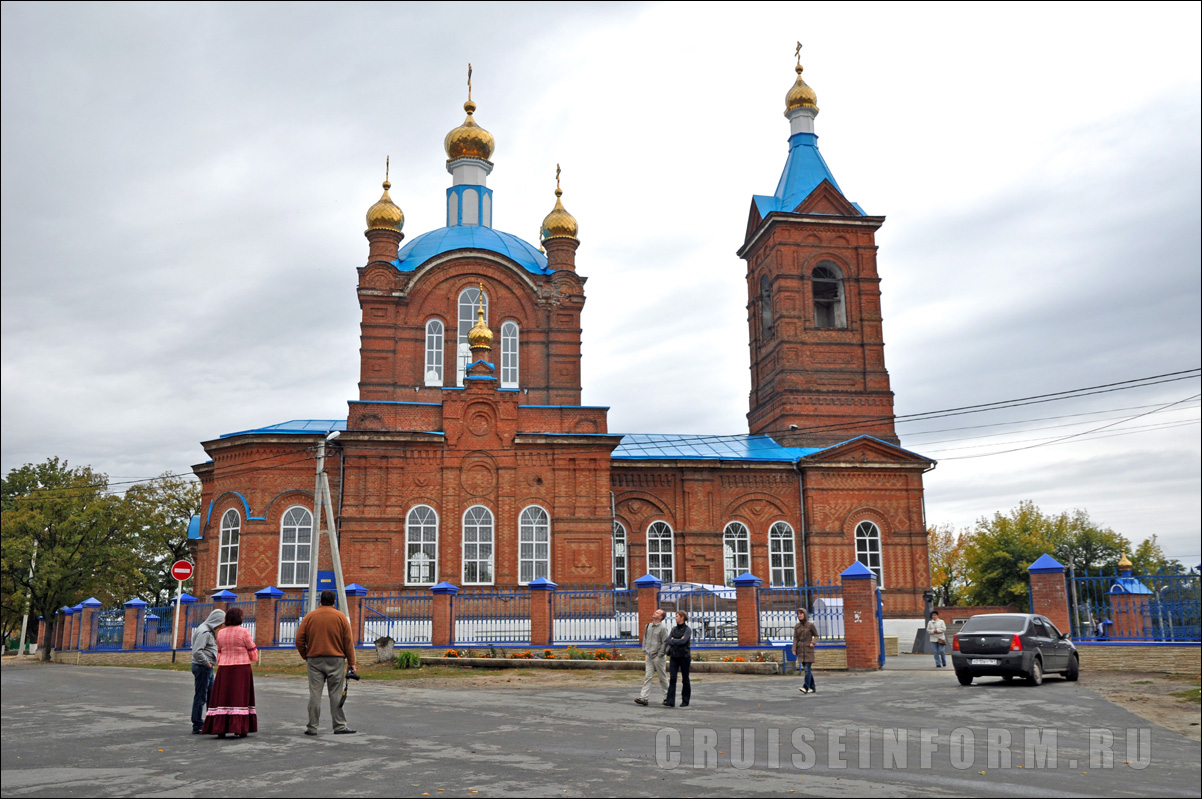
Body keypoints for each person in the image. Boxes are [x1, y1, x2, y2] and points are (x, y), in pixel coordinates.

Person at [295, 590, 358, 736]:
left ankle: (312, 727)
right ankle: (339, 726)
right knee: (335, 693)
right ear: (334, 602)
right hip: (336, 660)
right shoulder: (340, 617)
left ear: (320, 601)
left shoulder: (310, 617)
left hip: (314, 660)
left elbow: (299, 639)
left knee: (315, 694)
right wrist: (352, 663)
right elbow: (348, 642)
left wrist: (306, 655)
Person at [200, 606, 258, 738]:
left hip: (224, 668)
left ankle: (221, 728)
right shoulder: (244, 632)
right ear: (239, 618)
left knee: (224, 696)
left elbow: (219, 650)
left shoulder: (220, 633)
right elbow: (252, 650)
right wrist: (252, 656)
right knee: (239, 696)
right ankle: (239, 728)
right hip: (241, 668)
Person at [190, 608, 225, 734]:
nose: (222, 626)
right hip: (202, 667)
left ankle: (210, 721)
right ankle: (197, 723)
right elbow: (197, 651)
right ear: (216, 621)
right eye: (221, 623)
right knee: (201, 696)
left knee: (211, 694)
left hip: (206, 668)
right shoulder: (204, 632)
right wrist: (208, 663)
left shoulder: (207, 630)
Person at [634, 608, 669, 706]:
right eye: (655, 611)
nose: (655, 612)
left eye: (657, 612)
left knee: (662, 678)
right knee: (648, 677)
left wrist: (660, 654)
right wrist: (644, 649)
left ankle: (668, 697)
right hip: (649, 656)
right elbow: (645, 638)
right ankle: (644, 698)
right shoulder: (648, 626)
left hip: (658, 657)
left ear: (661, 617)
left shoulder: (662, 628)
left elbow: (665, 642)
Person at [663, 610, 692, 708]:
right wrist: (676, 640)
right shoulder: (674, 629)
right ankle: (670, 701)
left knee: (685, 678)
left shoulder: (687, 629)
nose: (675, 617)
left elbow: (684, 641)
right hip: (674, 656)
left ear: (682, 618)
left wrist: (674, 640)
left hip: (684, 656)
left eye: (677, 616)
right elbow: (668, 640)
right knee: (673, 678)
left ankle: (685, 700)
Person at [793, 608, 819, 694]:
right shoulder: (797, 626)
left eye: (801, 613)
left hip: (808, 649)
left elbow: (816, 635)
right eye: (798, 614)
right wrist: (794, 648)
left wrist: (813, 643)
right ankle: (813, 687)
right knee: (807, 670)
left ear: (805, 614)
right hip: (801, 649)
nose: (799, 615)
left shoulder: (810, 625)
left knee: (807, 669)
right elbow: (795, 638)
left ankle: (805, 687)